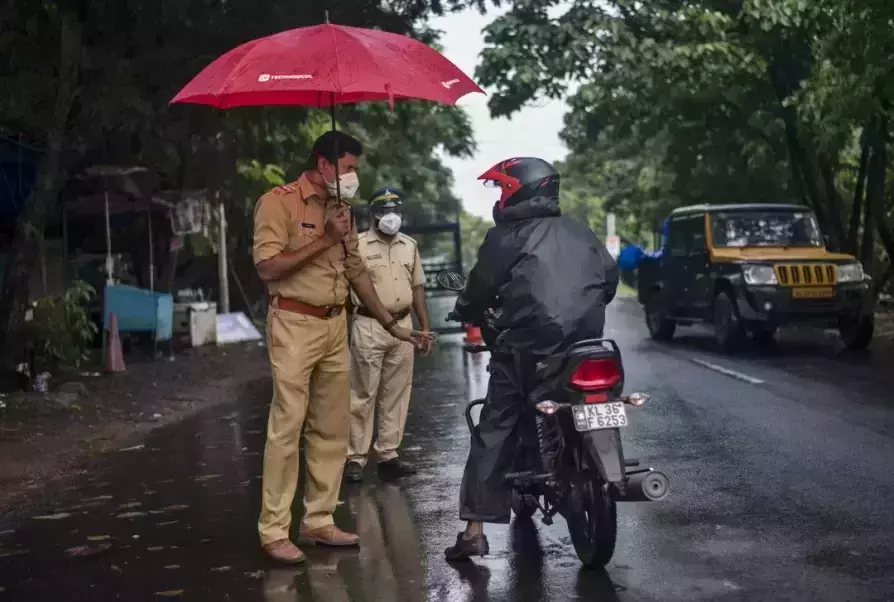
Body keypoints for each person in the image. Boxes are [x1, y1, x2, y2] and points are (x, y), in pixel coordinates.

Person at [253, 131, 433, 564]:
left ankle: (318, 520)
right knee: (288, 425)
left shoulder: (343, 211)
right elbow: (267, 266)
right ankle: (274, 530)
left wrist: (394, 325)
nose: (354, 176)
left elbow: (356, 271)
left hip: (337, 325)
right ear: (323, 164)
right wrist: (325, 238)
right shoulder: (278, 202)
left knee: (332, 428)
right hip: (294, 322)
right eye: (349, 167)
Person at [443, 156, 619, 561]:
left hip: (525, 350)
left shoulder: (505, 237)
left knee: (496, 424)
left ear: (515, 190)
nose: (499, 197)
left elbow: (479, 291)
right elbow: (609, 280)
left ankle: (474, 531)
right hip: (584, 348)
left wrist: (467, 309)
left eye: (501, 188)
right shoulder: (579, 230)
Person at [344, 188, 434, 484]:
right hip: (369, 326)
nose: (390, 216)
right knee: (363, 393)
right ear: (373, 215)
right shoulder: (357, 245)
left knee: (397, 392)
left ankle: (388, 455)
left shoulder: (409, 245)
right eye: (383, 211)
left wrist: (424, 326)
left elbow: (417, 287)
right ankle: (355, 458)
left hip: (404, 325)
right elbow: (349, 289)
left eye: (394, 210)